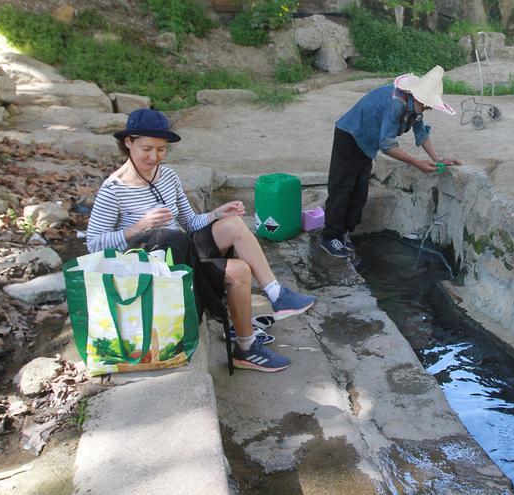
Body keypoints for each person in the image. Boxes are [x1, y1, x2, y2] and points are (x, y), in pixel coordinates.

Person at [86, 108, 315, 372]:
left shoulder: (168, 176)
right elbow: (93, 243)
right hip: (158, 269)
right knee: (239, 271)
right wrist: (138, 227)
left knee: (233, 224)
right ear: (128, 142)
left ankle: (277, 294)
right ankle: (246, 347)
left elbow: (190, 222)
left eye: (161, 150)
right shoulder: (113, 189)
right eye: (146, 149)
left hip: (184, 249)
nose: (154, 157)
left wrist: (217, 213)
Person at [321, 65, 462, 258]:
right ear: (418, 96)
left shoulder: (416, 107)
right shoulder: (397, 104)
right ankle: (330, 237)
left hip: (366, 144)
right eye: (427, 103)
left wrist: (437, 159)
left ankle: (344, 233)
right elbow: (387, 145)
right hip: (350, 135)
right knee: (341, 188)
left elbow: (421, 133)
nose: (428, 107)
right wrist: (416, 162)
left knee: (359, 192)